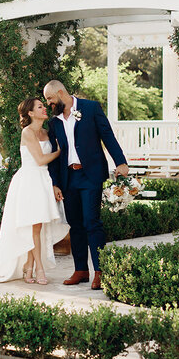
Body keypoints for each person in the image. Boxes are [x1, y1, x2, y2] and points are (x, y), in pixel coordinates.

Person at [43, 80, 129, 290]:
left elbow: (107, 135)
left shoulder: (90, 108)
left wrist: (121, 162)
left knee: (92, 222)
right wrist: (55, 183)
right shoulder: (54, 123)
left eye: (50, 99)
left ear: (61, 93)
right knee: (75, 224)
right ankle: (81, 270)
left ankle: (100, 271)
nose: (49, 104)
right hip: (68, 178)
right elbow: (55, 156)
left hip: (90, 175)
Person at [0, 98, 69, 285]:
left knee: (38, 226)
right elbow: (40, 159)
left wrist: (54, 184)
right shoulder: (28, 132)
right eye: (40, 107)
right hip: (30, 180)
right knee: (34, 225)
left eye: (44, 106)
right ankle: (39, 269)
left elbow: (46, 165)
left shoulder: (46, 132)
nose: (44, 109)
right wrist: (60, 151)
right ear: (30, 113)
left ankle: (28, 267)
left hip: (43, 180)